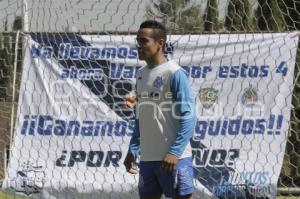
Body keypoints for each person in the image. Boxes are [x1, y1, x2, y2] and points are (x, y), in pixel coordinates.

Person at [123, 20, 196, 199]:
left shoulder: (174, 73)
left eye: (144, 41)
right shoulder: (141, 74)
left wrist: (175, 152)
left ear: (160, 43)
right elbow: (141, 116)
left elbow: (189, 116)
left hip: (174, 159)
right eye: (138, 41)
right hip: (148, 159)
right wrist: (133, 148)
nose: (139, 45)